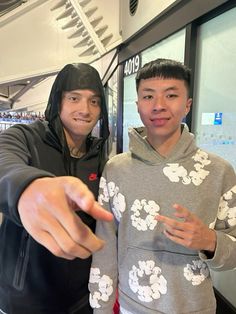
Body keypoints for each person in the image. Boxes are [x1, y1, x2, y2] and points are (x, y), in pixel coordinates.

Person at [88, 58, 236, 314]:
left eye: (171, 95)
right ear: (137, 105)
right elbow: (104, 246)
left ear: (187, 105)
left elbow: (232, 256)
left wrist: (209, 240)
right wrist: (100, 307)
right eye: (148, 96)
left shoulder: (219, 171)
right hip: (132, 307)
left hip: (196, 307)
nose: (158, 106)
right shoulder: (116, 169)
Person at [0, 63, 113, 314]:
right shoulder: (26, 138)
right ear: (57, 101)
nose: (85, 109)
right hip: (24, 299)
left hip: (82, 299)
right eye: (74, 98)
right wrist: (28, 186)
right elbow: (3, 160)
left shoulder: (99, 156)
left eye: (94, 101)